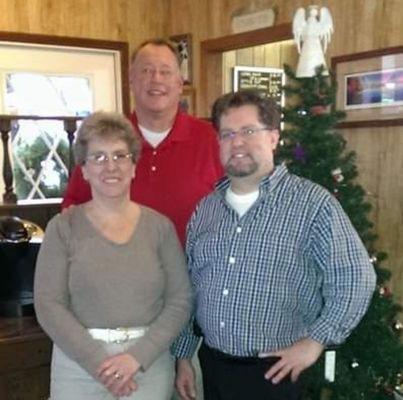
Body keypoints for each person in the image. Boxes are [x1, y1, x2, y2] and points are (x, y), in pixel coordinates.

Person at [172, 90, 376, 400]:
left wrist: (315, 342)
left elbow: (356, 277)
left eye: (248, 131)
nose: (237, 142)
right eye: (227, 134)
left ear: (273, 137)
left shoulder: (312, 204)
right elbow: (188, 287)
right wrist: (184, 356)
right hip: (213, 367)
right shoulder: (206, 209)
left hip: (278, 373)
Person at [34, 112, 191, 400]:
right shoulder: (62, 228)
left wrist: (136, 358)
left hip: (147, 365)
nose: (111, 166)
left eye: (120, 155)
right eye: (99, 157)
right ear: (84, 169)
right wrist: (100, 364)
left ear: (134, 166)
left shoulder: (160, 228)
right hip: (78, 367)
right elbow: (48, 304)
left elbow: (180, 300)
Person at [62, 38, 223, 245]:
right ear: (131, 80)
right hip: (119, 271)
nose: (156, 79)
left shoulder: (211, 139)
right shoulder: (103, 140)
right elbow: (73, 208)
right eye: (146, 71)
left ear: (179, 83)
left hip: (195, 273)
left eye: (165, 72)